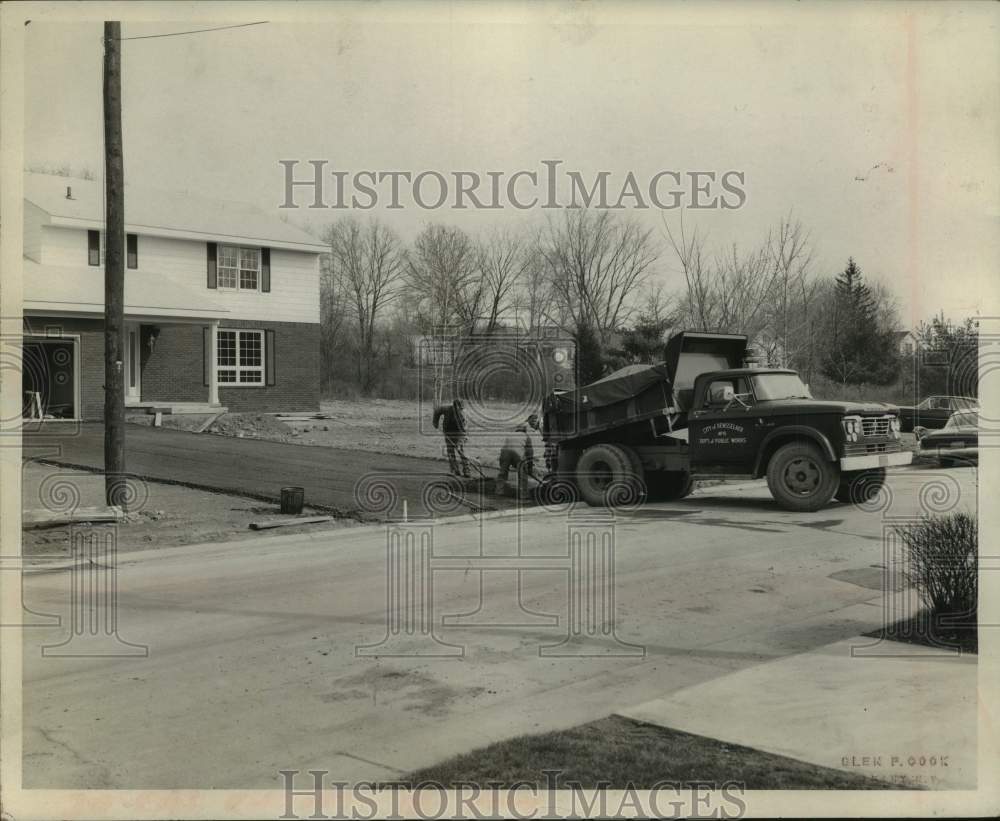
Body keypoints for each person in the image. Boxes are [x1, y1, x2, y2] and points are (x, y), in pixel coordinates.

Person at [495, 414, 540, 499]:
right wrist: (529, 467)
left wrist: (507, 463)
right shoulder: (527, 437)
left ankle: (499, 491)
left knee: (503, 472)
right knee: (523, 474)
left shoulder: (510, 435)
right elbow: (530, 453)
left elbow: (506, 448)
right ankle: (523, 495)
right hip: (518, 453)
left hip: (504, 452)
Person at [433, 398, 470, 478]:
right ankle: (454, 470)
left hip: (459, 432)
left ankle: (466, 470)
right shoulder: (446, 409)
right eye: (457, 407)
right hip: (448, 431)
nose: (458, 409)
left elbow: (464, 429)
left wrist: (463, 439)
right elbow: (437, 411)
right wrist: (435, 423)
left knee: (461, 450)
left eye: (460, 408)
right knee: (450, 451)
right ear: (453, 406)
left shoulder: (463, 414)